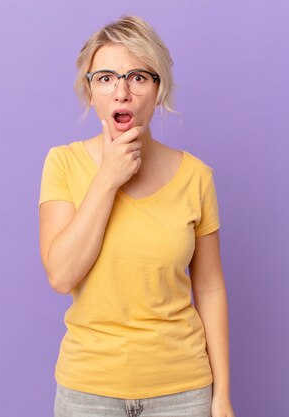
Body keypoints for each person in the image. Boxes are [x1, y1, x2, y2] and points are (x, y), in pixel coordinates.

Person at [38, 15, 236, 417]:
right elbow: (61, 275)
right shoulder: (63, 163)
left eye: (138, 77)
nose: (121, 92)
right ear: (89, 90)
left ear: (158, 90)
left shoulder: (196, 176)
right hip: (87, 393)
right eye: (106, 78)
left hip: (182, 392)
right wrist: (108, 178)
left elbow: (211, 287)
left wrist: (222, 397)